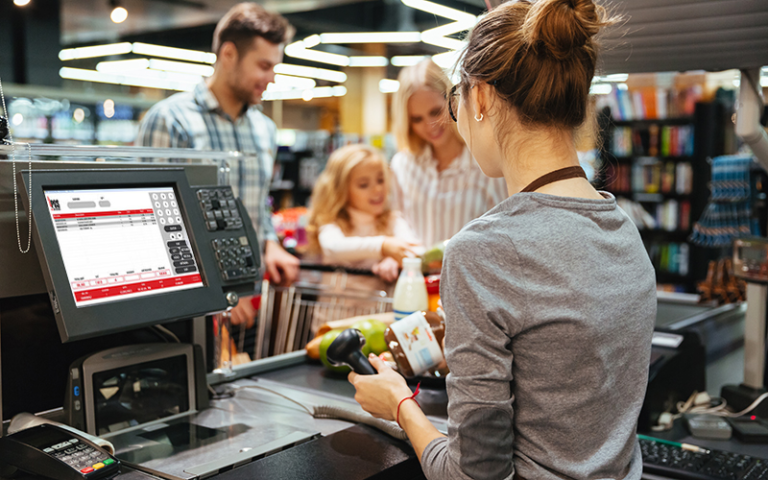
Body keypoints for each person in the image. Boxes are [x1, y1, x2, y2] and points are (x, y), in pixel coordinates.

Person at [348, 1, 656, 479]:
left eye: (456, 100)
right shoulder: (623, 230)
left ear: (483, 98)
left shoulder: (480, 252)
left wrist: (400, 404)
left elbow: (472, 475)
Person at [136, 3, 299, 327]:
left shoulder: (264, 129)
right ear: (228, 54)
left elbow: (257, 204)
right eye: (264, 65)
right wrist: (215, 289)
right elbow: (153, 222)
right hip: (187, 305)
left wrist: (270, 243)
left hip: (250, 296)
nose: (271, 78)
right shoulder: (171, 120)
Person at [390, 59, 508, 248]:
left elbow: (506, 227)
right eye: (417, 119)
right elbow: (395, 218)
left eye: (435, 112)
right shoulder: (402, 165)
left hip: (471, 275)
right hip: (417, 275)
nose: (430, 126)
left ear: (453, 100)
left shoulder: (486, 162)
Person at [307, 144, 419, 283]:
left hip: (379, 304)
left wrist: (394, 260)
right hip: (334, 304)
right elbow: (333, 247)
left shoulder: (392, 220)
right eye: (364, 184)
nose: (377, 189)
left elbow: (416, 251)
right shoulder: (331, 221)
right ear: (341, 190)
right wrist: (383, 246)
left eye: (380, 180)